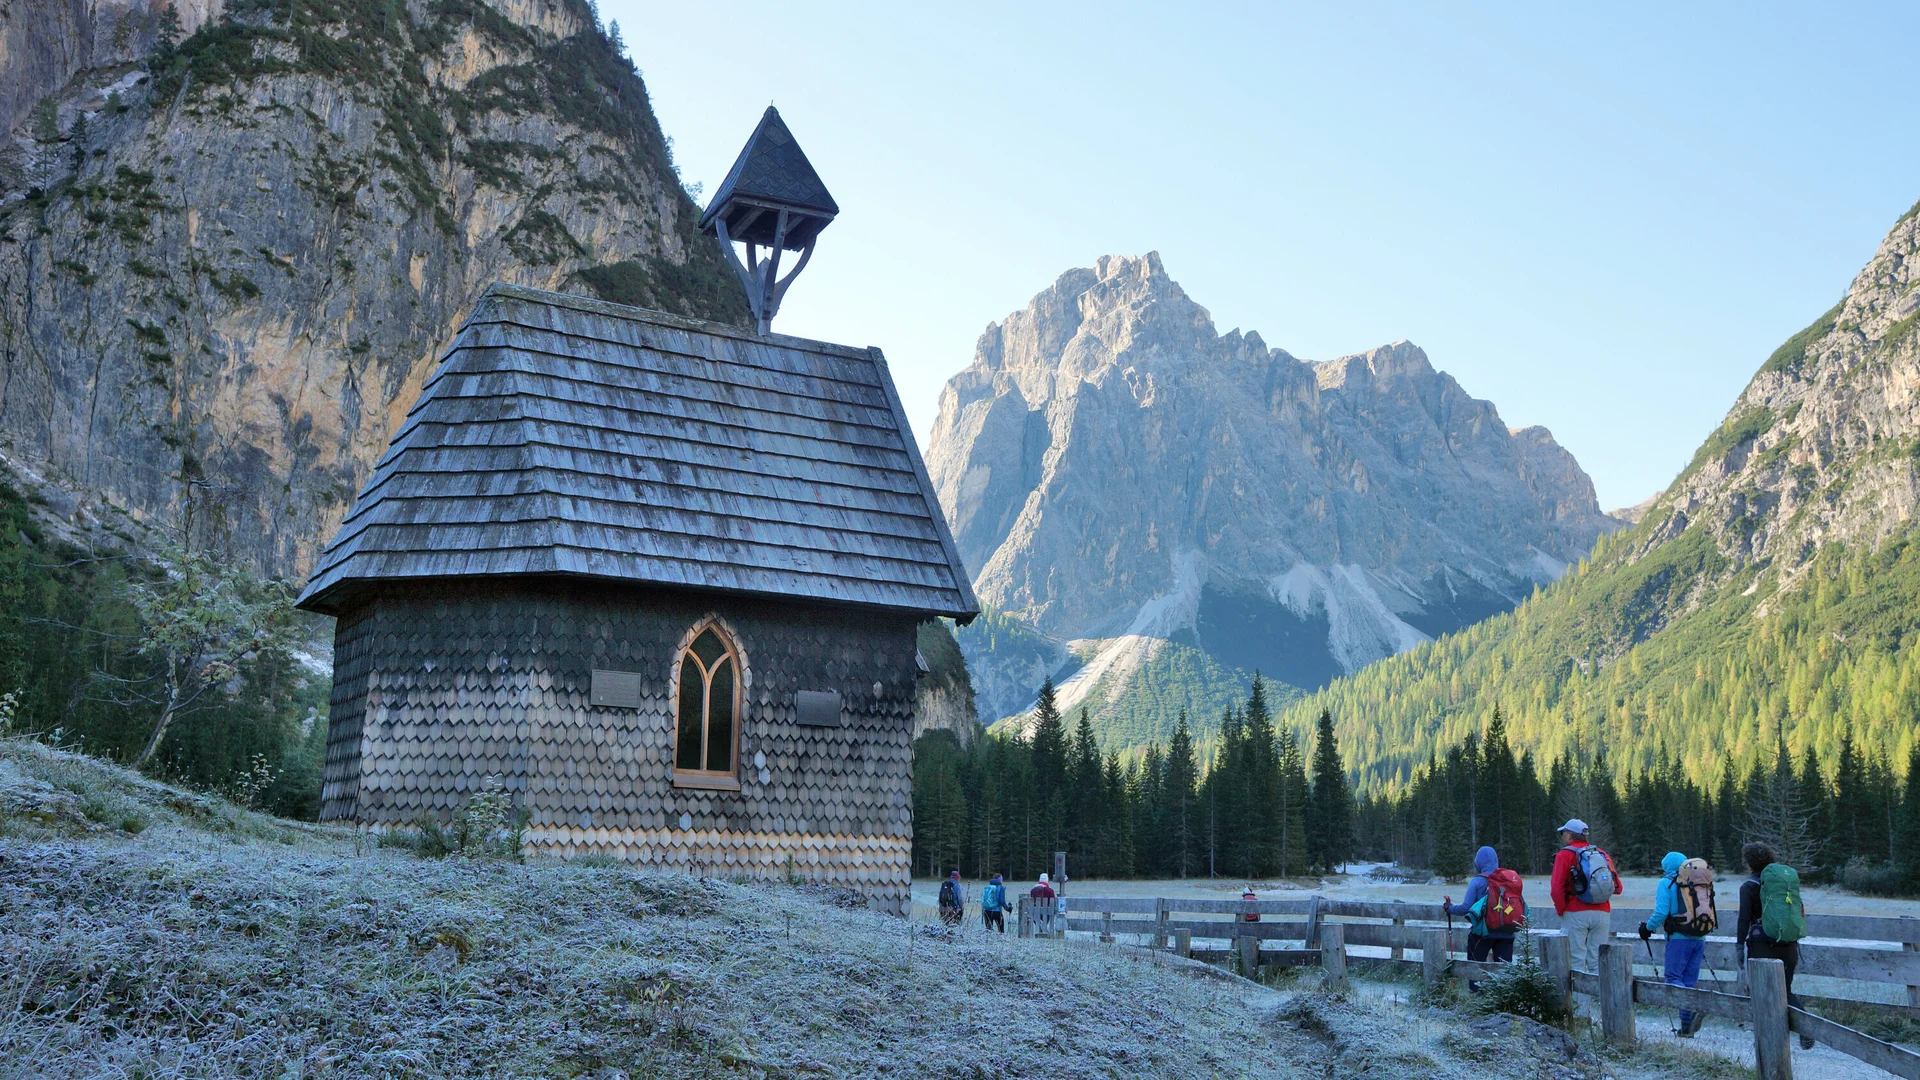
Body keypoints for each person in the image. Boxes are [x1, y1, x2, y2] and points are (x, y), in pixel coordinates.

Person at [1737, 843, 1816, 1051]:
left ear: (1748, 861)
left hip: (1762, 944)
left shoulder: (1749, 886)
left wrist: (1738, 946)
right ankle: (1805, 1026)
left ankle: (1772, 1041)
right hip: (1789, 943)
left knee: (1761, 991)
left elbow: (1744, 919)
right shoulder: (1781, 882)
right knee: (1785, 990)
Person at [1641, 851, 1710, 1036]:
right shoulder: (1696, 882)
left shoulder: (1667, 883)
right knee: (1688, 980)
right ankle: (1687, 1026)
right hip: (1699, 936)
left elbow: (1662, 912)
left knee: (1673, 977)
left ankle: (1690, 1013)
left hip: (1679, 937)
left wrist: (1648, 927)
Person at [1444, 846, 1525, 990]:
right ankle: (1503, 1001)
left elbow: (1465, 908)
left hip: (1482, 933)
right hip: (1507, 932)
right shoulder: (1508, 880)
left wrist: (1449, 908)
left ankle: (1477, 999)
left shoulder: (1477, 882)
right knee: (1504, 972)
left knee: (1475, 968)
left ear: (1479, 862)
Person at [1550, 818, 1622, 975]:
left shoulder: (1564, 855)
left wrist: (1562, 910)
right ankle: (1599, 997)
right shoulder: (1601, 854)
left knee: (1575, 960)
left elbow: (1556, 888)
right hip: (1602, 912)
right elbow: (1618, 888)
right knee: (1597, 960)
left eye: (1563, 833)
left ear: (1570, 835)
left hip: (1575, 912)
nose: (1562, 836)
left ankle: (1579, 1000)